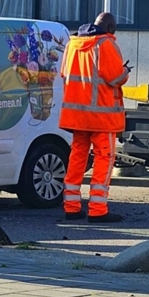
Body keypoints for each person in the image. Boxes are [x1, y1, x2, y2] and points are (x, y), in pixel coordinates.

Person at [59, 12, 131, 223]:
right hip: (102, 117)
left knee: (77, 157)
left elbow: (64, 74)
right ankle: (98, 210)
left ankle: (71, 207)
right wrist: (125, 71)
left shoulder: (72, 44)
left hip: (77, 116)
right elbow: (115, 78)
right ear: (110, 28)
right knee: (104, 159)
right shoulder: (105, 44)